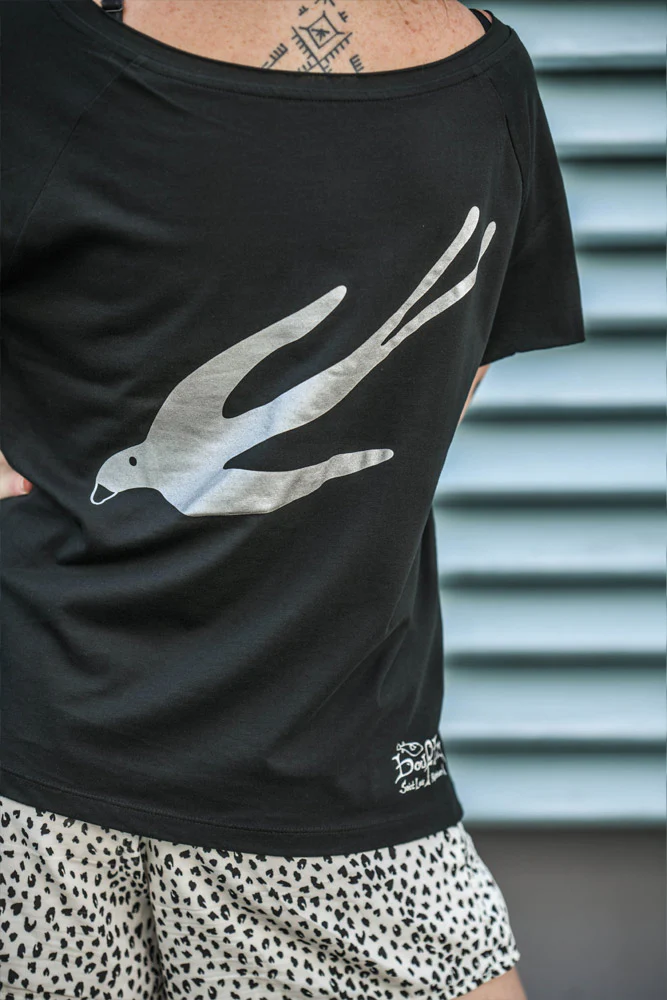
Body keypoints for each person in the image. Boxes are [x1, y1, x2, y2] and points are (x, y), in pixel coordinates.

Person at [0, 1, 586, 997]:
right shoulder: (486, 83)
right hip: (42, 781)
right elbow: (428, 397)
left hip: (327, 781)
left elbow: (395, 402)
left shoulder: (484, 86)